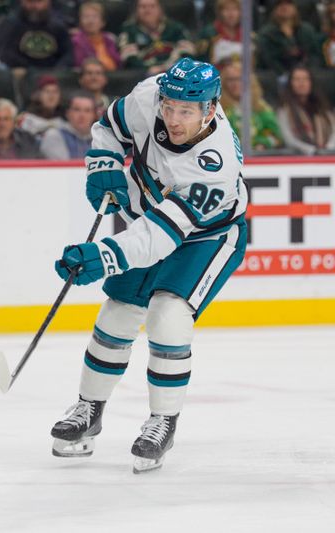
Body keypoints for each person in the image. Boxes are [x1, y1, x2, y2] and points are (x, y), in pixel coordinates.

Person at [50, 58, 247, 473]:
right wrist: (103, 164)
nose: (173, 118)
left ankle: (163, 421)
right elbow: (108, 128)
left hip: (206, 237)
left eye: (186, 111)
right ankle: (89, 409)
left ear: (209, 110)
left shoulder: (215, 166)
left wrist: (103, 256)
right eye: (169, 106)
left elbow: (160, 238)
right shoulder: (149, 95)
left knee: (167, 314)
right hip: (150, 220)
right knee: (118, 313)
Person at [217, 57, 284, 152]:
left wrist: (262, 143)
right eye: (230, 80)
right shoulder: (218, 109)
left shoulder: (261, 107)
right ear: (224, 83)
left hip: (260, 157)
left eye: (239, 79)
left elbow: (276, 136)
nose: (235, 84)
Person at [118, 0, 195, 75]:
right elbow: (128, 59)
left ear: (160, 9)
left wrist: (172, 68)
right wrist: (147, 69)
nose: (147, 10)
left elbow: (188, 54)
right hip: (143, 75)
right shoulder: (129, 30)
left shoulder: (176, 28)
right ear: (135, 10)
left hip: (175, 73)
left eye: (152, 6)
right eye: (143, 7)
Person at [276, 65, 335, 155]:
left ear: (311, 83)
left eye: (305, 79)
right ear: (291, 84)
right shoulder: (284, 111)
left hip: (327, 156)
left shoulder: (323, 109)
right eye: (297, 79)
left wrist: (328, 149)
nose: (301, 83)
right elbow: (289, 139)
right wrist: (312, 151)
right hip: (300, 159)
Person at [0, 0, 73, 70]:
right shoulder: (10, 25)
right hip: (20, 76)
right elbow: (5, 53)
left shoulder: (58, 25)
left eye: (38, 1)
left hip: (53, 78)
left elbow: (67, 54)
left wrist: (56, 71)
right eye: (30, 1)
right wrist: (31, 70)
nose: (34, 6)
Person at [256, 0, 324, 75]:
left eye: (288, 4)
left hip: (306, 75)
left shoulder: (307, 31)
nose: (284, 7)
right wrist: (285, 75)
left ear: (295, 8)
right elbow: (268, 60)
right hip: (277, 76)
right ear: (274, 10)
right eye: (280, 4)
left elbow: (315, 55)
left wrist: (309, 72)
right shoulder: (266, 34)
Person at [39, 90, 95, 159]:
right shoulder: (54, 136)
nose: (82, 115)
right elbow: (63, 168)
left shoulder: (100, 138)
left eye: (87, 111)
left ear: (94, 115)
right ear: (68, 113)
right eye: (77, 109)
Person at [70, 0, 121, 71]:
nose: (90, 21)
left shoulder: (110, 40)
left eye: (95, 17)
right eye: (86, 17)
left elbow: (118, 64)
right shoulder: (75, 41)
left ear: (103, 22)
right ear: (80, 21)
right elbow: (81, 64)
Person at [195, 0, 248, 65]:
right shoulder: (208, 34)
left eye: (235, 9)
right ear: (219, 12)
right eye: (226, 9)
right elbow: (200, 63)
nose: (231, 14)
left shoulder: (248, 35)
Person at [16, 74, 66, 140]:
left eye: (55, 92)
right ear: (38, 95)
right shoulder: (27, 119)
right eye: (47, 91)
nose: (51, 96)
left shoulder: (66, 119)